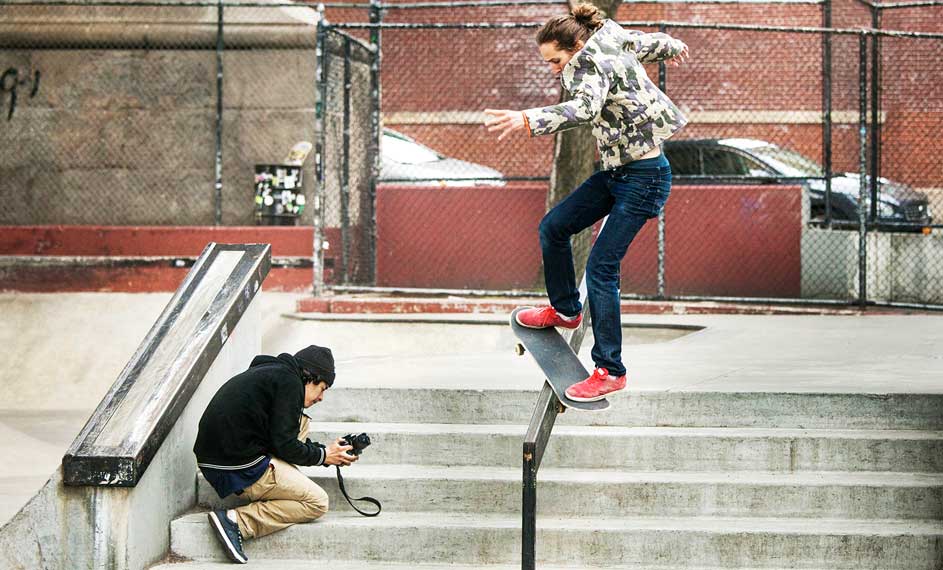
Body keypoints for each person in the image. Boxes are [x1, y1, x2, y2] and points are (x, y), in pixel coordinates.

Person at [484, 4, 689, 403]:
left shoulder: (587, 64)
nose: (553, 69)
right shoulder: (609, 35)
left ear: (576, 46)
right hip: (619, 173)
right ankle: (565, 310)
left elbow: (585, 108)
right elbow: (646, 42)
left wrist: (528, 118)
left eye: (556, 60)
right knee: (554, 227)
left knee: (601, 267)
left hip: (644, 180)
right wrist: (672, 44)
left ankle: (611, 370)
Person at [193, 345, 358, 564]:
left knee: (300, 423)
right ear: (311, 377)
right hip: (239, 466)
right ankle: (237, 522)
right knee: (318, 501)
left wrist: (324, 453)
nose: (322, 397)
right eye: (323, 387)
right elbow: (286, 445)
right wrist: (323, 455)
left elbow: (283, 438)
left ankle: (284, 478)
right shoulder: (290, 382)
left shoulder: (273, 374)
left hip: (222, 458)